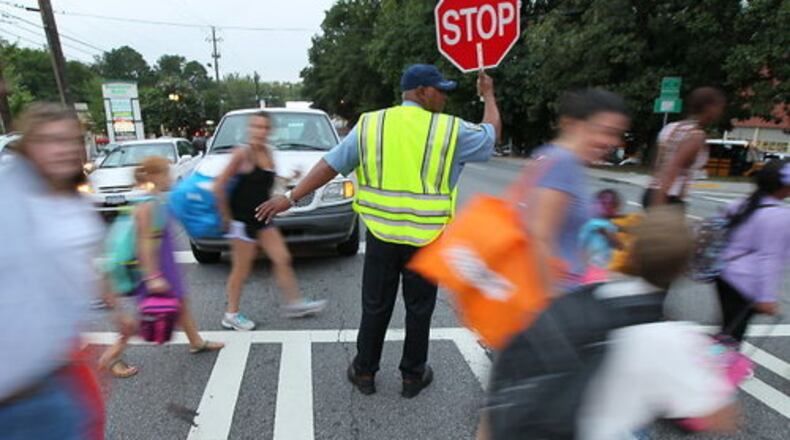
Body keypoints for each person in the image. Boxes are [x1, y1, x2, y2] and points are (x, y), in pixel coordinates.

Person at [256, 64, 502, 398]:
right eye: (440, 90)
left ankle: (364, 372)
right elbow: (491, 135)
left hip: (382, 235)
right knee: (419, 309)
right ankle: (413, 376)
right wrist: (488, 95)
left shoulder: (371, 124)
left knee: (375, 305)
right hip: (426, 237)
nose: (444, 96)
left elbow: (332, 163)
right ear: (421, 91)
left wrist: (291, 197)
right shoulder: (449, 130)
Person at [480, 207, 739, 440]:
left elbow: (511, 367)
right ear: (683, 269)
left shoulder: (584, 298)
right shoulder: (673, 339)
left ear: (632, 251)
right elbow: (719, 416)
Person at [0, 103, 123, 439]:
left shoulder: (76, 200)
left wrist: (114, 303)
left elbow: (86, 261)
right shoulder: (11, 197)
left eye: (72, 140)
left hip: (52, 370)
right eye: (51, 140)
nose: (65, 149)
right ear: (29, 146)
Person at [98, 156, 225, 377]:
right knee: (149, 315)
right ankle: (112, 355)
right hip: (155, 269)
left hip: (164, 266)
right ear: (154, 176)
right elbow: (145, 245)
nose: (170, 176)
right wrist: (153, 277)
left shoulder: (156, 200)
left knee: (180, 302)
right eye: (166, 172)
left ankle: (196, 341)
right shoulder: (147, 205)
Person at [214, 111, 326, 331]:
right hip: (241, 221)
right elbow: (218, 186)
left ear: (270, 131)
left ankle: (295, 304)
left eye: (265, 127)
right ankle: (231, 314)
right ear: (249, 128)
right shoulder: (242, 154)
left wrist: (290, 178)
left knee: (282, 257)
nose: (260, 131)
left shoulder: (268, 153)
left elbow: (269, 184)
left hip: (263, 218)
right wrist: (226, 218)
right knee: (242, 270)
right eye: (256, 127)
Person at [529, 89, 630, 288]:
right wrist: (553, 304)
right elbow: (539, 238)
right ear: (571, 124)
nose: (614, 142)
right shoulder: (562, 162)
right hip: (557, 294)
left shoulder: (553, 157)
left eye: (618, 135)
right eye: (606, 131)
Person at [716, 159, 789, 342]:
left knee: (728, 330)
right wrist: (765, 297)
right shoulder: (779, 216)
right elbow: (769, 258)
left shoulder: (741, 203)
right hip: (744, 282)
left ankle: (715, 364)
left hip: (722, 273)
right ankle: (715, 367)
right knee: (732, 336)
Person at [644, 87, 726, 208]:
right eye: (719, 107)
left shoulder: (671, 127)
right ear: (709, 107)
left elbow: (659, 163)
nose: (720, 112)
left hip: (652, 191)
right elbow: (673, 168)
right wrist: (659, 207)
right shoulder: (696, 136)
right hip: (668, 198)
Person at [579, 189, 624, 270]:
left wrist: (606, 233)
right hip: (591, 265)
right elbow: (580, 245)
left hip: (603, 266)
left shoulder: (611, 225)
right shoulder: (592, 224)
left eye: (611, 204)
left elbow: (619, 246)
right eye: (603, 203)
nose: (607, 207)